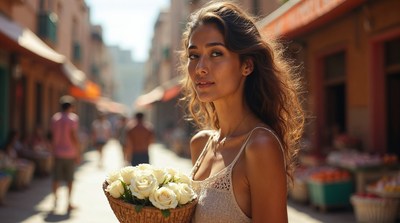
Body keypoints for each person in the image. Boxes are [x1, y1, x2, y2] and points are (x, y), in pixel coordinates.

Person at [179, 2, 305, 222]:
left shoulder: (259, 146)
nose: (200, 67)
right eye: (194, 55)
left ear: (246, 65)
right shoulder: (200, 144)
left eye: (216, 53)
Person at [50, 95, 81, 212]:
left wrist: (52, 151)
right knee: (69, 179)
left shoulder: (55, 118)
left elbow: (53, 136)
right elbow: (73, 136)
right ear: (71, 107)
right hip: (70, 153)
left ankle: (55, 199)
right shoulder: (73, 119)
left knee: (56, 178)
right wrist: (78, 151)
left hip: (57, 152)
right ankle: (68, 202)